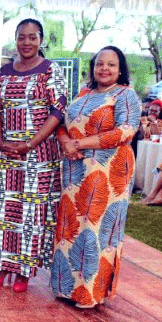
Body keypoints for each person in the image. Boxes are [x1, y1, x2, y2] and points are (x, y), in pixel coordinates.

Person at [51, 46, 141, 308]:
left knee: (95, 230)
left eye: (111, 65)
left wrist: (81, 144)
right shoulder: (83, 93)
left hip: (108, 171)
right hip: (75, 170)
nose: (104, 69)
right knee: (71, 226)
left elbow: (126, 131)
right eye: (100, 63)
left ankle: (89, 293)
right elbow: (62, 125)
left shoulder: (126, 95)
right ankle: (66, 288)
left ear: (120, 69)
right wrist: (68, 142)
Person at [0, 19, 68, 293]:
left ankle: (24, 271)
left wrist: (31, 143)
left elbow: (58, 111)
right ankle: (3, 264)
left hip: (39, 154)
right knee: (6, 210)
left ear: (41, 40)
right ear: (16, 39)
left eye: (33, 37)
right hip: (8, 152)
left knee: (31, 212)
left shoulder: (50, 70)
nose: (27, 43)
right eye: (22, 37)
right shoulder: (5, 71)